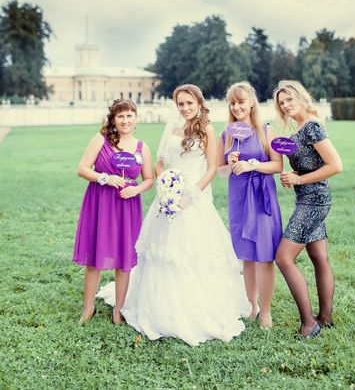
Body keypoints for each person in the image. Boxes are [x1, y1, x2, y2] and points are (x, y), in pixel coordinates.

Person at [97, 84, 250, 346]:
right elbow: (160, 163)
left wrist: (189, 195)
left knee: (192, 252)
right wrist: (164, 183)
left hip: (194, 197)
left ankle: (196, 305)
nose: (185, 108)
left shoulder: (208, 130)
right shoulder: (172, 128)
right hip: (168, 196)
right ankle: (158, 304)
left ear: (199, 104)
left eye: (189, 103)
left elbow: (212, 168)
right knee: (162, 251)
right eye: (180, 104)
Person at [72, 99, 153, 325]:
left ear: (136, 118)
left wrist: (136, 189)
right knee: (94, 257)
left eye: (129, 116)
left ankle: (119, 309)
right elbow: (82, 169)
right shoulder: (101, 139)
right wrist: (106, 178)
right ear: (113, 119)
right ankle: (88, 308)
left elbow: (149, 179)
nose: (125, 120)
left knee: (124, 258)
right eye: (121, 116)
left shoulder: (142, 147)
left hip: (127, 206)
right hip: (100, 202)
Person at [273, 80, 342, 337]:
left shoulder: (311, 126)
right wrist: (296, 172)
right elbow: (313, 163)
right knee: (318, 258)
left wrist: (299, 179)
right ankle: (325, 317)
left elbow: (335, 165)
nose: (286, 105)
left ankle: (309, 324)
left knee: (283, 257)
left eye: (289, 99)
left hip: (314, 200)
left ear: (302, 97)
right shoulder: (302, 127)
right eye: (282, 103)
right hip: (309, 198)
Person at [217, 81, 283, 329]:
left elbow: (277, 166)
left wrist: (253, 164)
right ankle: (251, 304)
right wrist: (230, 162)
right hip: (239, 198)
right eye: (232, 103)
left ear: (252, 102)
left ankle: (265, 310)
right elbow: (220, 170)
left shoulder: (267, 131)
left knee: (265, 255)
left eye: (241, 102)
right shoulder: (227, 134)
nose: (236, 107)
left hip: (262, 198)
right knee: (247, 256)